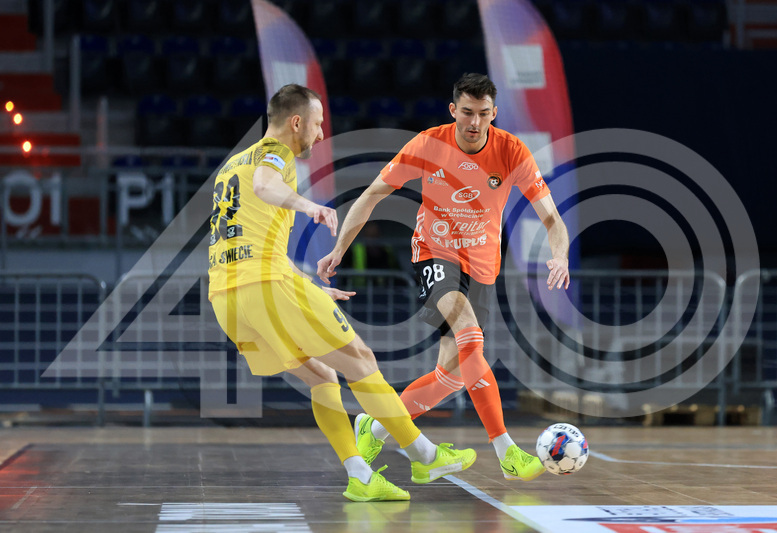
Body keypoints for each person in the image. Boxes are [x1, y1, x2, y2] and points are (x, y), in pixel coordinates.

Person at [208, 84, 476, 502]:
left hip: (227, 298)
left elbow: (250, 242)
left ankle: (360, 477)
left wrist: (306, 289)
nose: (320, 134)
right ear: (296, 122)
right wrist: (308, 206)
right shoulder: (274, 154)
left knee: (322, 375)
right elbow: (264, 185)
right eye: (317, 124)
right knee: (361, 360)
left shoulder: (232, 164)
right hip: (265, 285)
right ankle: (425, 456)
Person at [317, 74, 570, 482]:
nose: (475, 122)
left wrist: (560, 256)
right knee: (470, 334)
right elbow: (372, 195)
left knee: (451, 376)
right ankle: (506, 451)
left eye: (483, 114)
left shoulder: (511, 151)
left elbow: (552, 218)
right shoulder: (428, 144)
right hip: (434, 254)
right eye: (467, 112)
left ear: (494, 113)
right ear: (453, 110)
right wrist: (339, 249)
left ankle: (374, 427)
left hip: (482, 267)